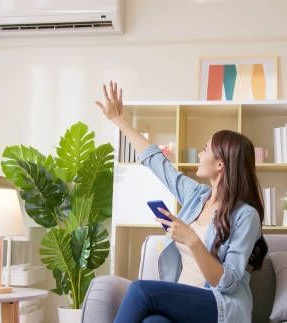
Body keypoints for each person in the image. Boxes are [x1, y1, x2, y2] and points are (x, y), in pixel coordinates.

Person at [95, 81, 268, 323]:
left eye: (205, 149)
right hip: (184, 302)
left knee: (140, 290)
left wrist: (192, 240)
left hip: (217, 305)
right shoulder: (196, 196)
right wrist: (119, 119)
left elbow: (228, 282)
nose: (199, 153)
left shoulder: (246, 216)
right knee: (152, 322)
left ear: (220, 164)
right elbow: (158, 163)